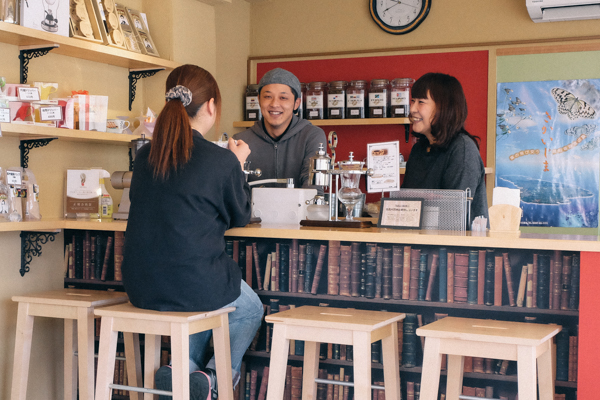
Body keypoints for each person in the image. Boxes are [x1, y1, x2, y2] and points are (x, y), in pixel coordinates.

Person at [121, 64, 264, 400]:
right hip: (194, 282)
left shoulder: (143, 157)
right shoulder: (221, 161)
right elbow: (240, 216)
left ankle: (180, 369)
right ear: (211, 106)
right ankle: (214, 377)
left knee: (199, 300)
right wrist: (238, 165)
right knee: (248, 307)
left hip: (140, 286)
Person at [402, 72, 489, 226]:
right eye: (412, 101)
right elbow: (407, 205)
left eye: (421, 102)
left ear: (444, 107)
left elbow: (454, 215)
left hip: (457, 248)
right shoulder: (419, 149)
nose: (412, 108)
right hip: (420, 244)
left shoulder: (462, 149)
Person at [234, 68, 326, 189]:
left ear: (296, 103)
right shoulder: (241, 141)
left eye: (283, 98)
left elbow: (313, 189)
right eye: (267, 96)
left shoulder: (312, 136)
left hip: (300, 207)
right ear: (259, 100)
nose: (274, 104)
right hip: (252, 208)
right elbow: (232, 191)